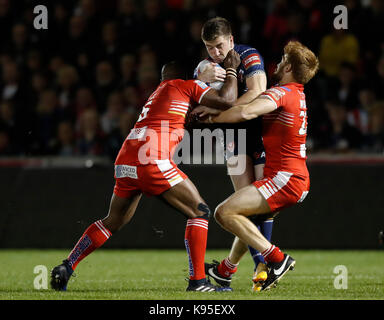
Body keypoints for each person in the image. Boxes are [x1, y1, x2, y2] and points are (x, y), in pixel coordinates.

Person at [50, 50, 241, 293]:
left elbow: (179, 118)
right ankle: (198, 282)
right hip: (151, 159)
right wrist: (232, 69)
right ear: (187, 75)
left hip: (126, 158)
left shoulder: (159, 93)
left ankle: (67, 266)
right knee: (199, 212)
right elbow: (228, 100)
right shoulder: (186, 85)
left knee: (113, 221)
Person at [193, 40, 319, 290]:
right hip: (293, 177)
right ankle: (224, 270)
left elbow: (246, 113)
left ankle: (277, 259)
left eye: (284, 59)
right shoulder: (298, 94)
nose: (279, 62)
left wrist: (212, 117)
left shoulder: (281, 92)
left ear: (289, 68)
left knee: (224, 212)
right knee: (246, 218)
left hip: (285, 179)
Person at [193, 16, 272, 291]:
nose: (215, 53)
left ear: (230, 39)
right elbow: (196, 97)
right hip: (232, 138)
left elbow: (258, 92)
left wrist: (219, 111)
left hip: (260, 131)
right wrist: (201, 78)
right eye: (209, 48)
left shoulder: (248, 55)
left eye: (218, 46)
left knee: (262, 202)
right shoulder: (208, 68)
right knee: (244, 203)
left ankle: (230, 270)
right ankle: (261, 266)